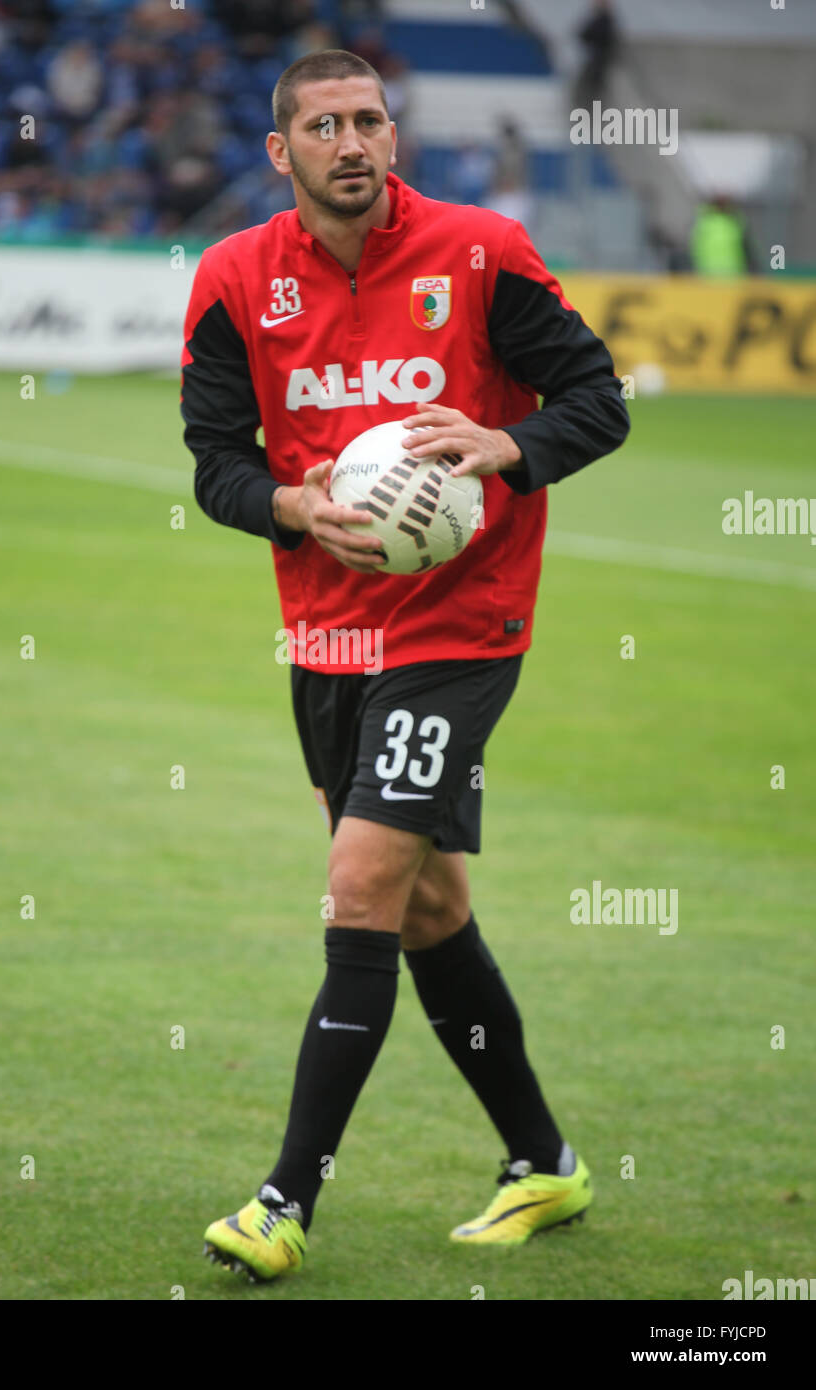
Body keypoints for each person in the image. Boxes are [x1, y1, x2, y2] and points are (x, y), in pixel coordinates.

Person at [180, 48, 630, 1284]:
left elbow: (599, 399)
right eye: (323, 125)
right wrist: (285, 503)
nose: (352, 142)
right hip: (327, 630)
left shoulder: (480, 250)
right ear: (282, 153)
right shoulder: (232, 283)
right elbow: (214, 459)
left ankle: (283, 1201)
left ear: (394, 134)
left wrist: (504, 440)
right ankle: (541, 1159)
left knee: (363, 879)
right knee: (430, 907)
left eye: (369, 119)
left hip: (464, 619)